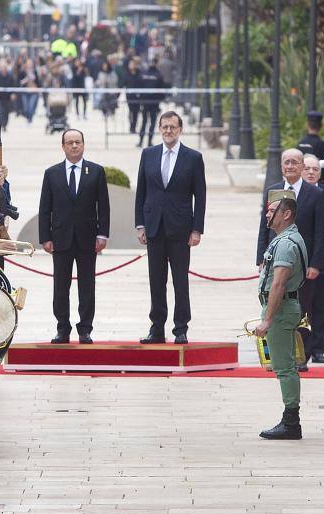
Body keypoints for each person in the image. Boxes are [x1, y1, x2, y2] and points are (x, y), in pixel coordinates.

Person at [134, 111, 206, 344]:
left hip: (180, 229)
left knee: (180, 281)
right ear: (159, 128)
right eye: (164, 127)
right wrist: (140, 224)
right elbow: (141, 191)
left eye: (173, 127)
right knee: (156, 280)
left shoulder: (193, 158)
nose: (168, 131)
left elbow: (200, 196)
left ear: (180, 129)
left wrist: (197, 229)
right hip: (154, 227)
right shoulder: (149, 154)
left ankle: (181, 328)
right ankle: (157, 327)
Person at [39, 128, 110, 344]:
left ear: (83, 144)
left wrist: (103, 234)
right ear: (63, 146)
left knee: (87, 285)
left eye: (77, 142)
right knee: (61, 286)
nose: (74, 146)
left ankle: (85, 329)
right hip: (61, 238)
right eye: (69, 142)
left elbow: (104, 207)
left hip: (88, 239)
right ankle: (63, 328)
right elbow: (45, 208)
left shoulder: (96, 171)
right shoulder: (52, 173)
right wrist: (45, 237)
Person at [257, 149, 324, 371]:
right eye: (286, 162)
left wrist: (315, 263)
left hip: (303, 265)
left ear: (301, 166)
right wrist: (260, 258)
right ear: (281, 165)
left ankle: (301, 357)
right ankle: (277, 355)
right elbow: (263, 228)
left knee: (302, 309)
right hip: (275, 260)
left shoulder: (314, 193)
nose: (290, 166)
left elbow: (321, 231)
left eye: (295, 163)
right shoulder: (272, 191)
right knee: (274, 305)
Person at [253, 193, 306, 440]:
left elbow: (279, 285)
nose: (267, 213)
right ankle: (290, 419)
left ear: (286, 214)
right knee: (284, 366)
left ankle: (291, 422)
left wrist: (268, 319)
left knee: (284, 368)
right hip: (283, 308)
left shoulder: (285, 243)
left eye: (272, 209)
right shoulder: (285, 238)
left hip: (282, 310)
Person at [300, 154, 324, 363]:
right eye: (308, 168)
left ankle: (319, 349)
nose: (311, 172)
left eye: (315, 169)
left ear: (320, 173)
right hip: (301, 260)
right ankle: (303, 348)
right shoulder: (294, 193)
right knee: (304, 308)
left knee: (321, 307)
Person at [297, 111, 324, 179]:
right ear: (321, 125)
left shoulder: (300, 143)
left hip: (303, 180)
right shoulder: (323, 145)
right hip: (318, 181)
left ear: (307, 124)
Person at [137, 59, 164, 148]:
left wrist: (140, 99)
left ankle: (141, 141)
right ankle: (149, 142)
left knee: (144, 122)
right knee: (152, 122)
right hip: (154, 103)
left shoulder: (144, 74)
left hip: (145, 102)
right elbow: (162, 89)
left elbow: (139, 87)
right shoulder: (159, 75)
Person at [0, 59, 16, 131]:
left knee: (6, 112)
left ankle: (4, 125)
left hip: (7, 97)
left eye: (4, 67)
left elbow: (14, 85)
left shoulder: (10, 75)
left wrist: (13, 94)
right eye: (1, 67)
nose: (3, 69)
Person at [125, 59, 142, 134]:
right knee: (131, 111)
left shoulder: (139, 73)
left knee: (136, 112)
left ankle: (134, 127)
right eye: (130, 64)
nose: (131, 66)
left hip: (137, 96)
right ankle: (131, 126)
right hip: (129, 96)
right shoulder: (127, 73)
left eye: (132, 64)